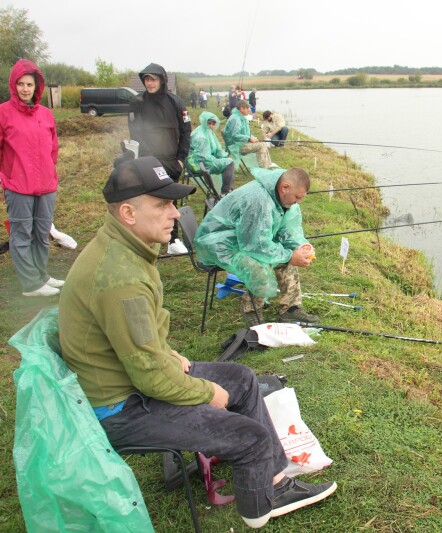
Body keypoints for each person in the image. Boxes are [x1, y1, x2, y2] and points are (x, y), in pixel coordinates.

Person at [58, 157, 336, 529]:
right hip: (121, 408)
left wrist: (165, 352)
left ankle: (274, 482)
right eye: (163, 205)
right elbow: (151, 378)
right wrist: (205, 393)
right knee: (251, 438)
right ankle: (260, 510)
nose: (175, 213)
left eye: (173, 203)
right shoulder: (121, 277)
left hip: (131, 379)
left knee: (242, 379)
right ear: (128, 212)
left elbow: (131, 340)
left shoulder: (125, 250)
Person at [194, 167, 320, 326]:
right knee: (260, 262)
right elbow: (254, 246)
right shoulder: (258, 201)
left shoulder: (283, 196)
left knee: (287, 256)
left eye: (301, 198)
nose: (298, 202)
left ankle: (291, 308)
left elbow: (289, 229)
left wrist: (301, 246)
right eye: (297, 197)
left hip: (244, 238)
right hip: (218, 242)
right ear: (285, 188)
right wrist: (289, 256)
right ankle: (251, 310)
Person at [0, 59, 63, 297]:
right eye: (21, 84)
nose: (25, 89)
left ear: (36, 87)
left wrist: (49, 171)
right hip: (18, 186)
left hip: (46, 185)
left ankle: (41, 275)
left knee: (41, 233)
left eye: (29, 84)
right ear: (13, 85)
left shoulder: (46, 114)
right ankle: (30, 285)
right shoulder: (3, 113)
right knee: (22, 234)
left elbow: (53, 147)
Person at [128, 63, 192, 255]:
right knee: (148, 202)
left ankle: (173, 239)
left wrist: (181, 159)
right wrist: (150, 160)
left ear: (162, 80)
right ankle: (148, 239)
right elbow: (135, 133)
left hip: (172, 161)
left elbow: (186, 131)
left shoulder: (176, 102)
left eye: (153, 79)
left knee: (169, 202)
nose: (149, 83)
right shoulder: (137, 102)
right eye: (146, 79)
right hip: (148, 161)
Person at [187, 112, 235, 196]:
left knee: (228, 161)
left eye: (213, 124)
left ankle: (228, 189)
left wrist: (224, 156)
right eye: (209, 123)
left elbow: (217, 148)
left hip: (204, 160)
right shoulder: (201, 137)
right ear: (204, 121)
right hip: (198, 164)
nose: (211, 126)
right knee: (229, 163)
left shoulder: (207, 131)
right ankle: (225, 192)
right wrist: (218, 160)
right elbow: (203, 158)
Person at [222, 100, 273, 169]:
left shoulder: (240, 116)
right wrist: (249, 138)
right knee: (261, 146)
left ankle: (268, 165)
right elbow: (235, 135)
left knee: (262, 143)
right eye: (247, 108)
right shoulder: (236, 119)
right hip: (236, 146)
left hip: (240, 143)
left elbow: (246, 132)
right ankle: (264, 169)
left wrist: (253, 138)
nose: (249, 110)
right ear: (242, 109)